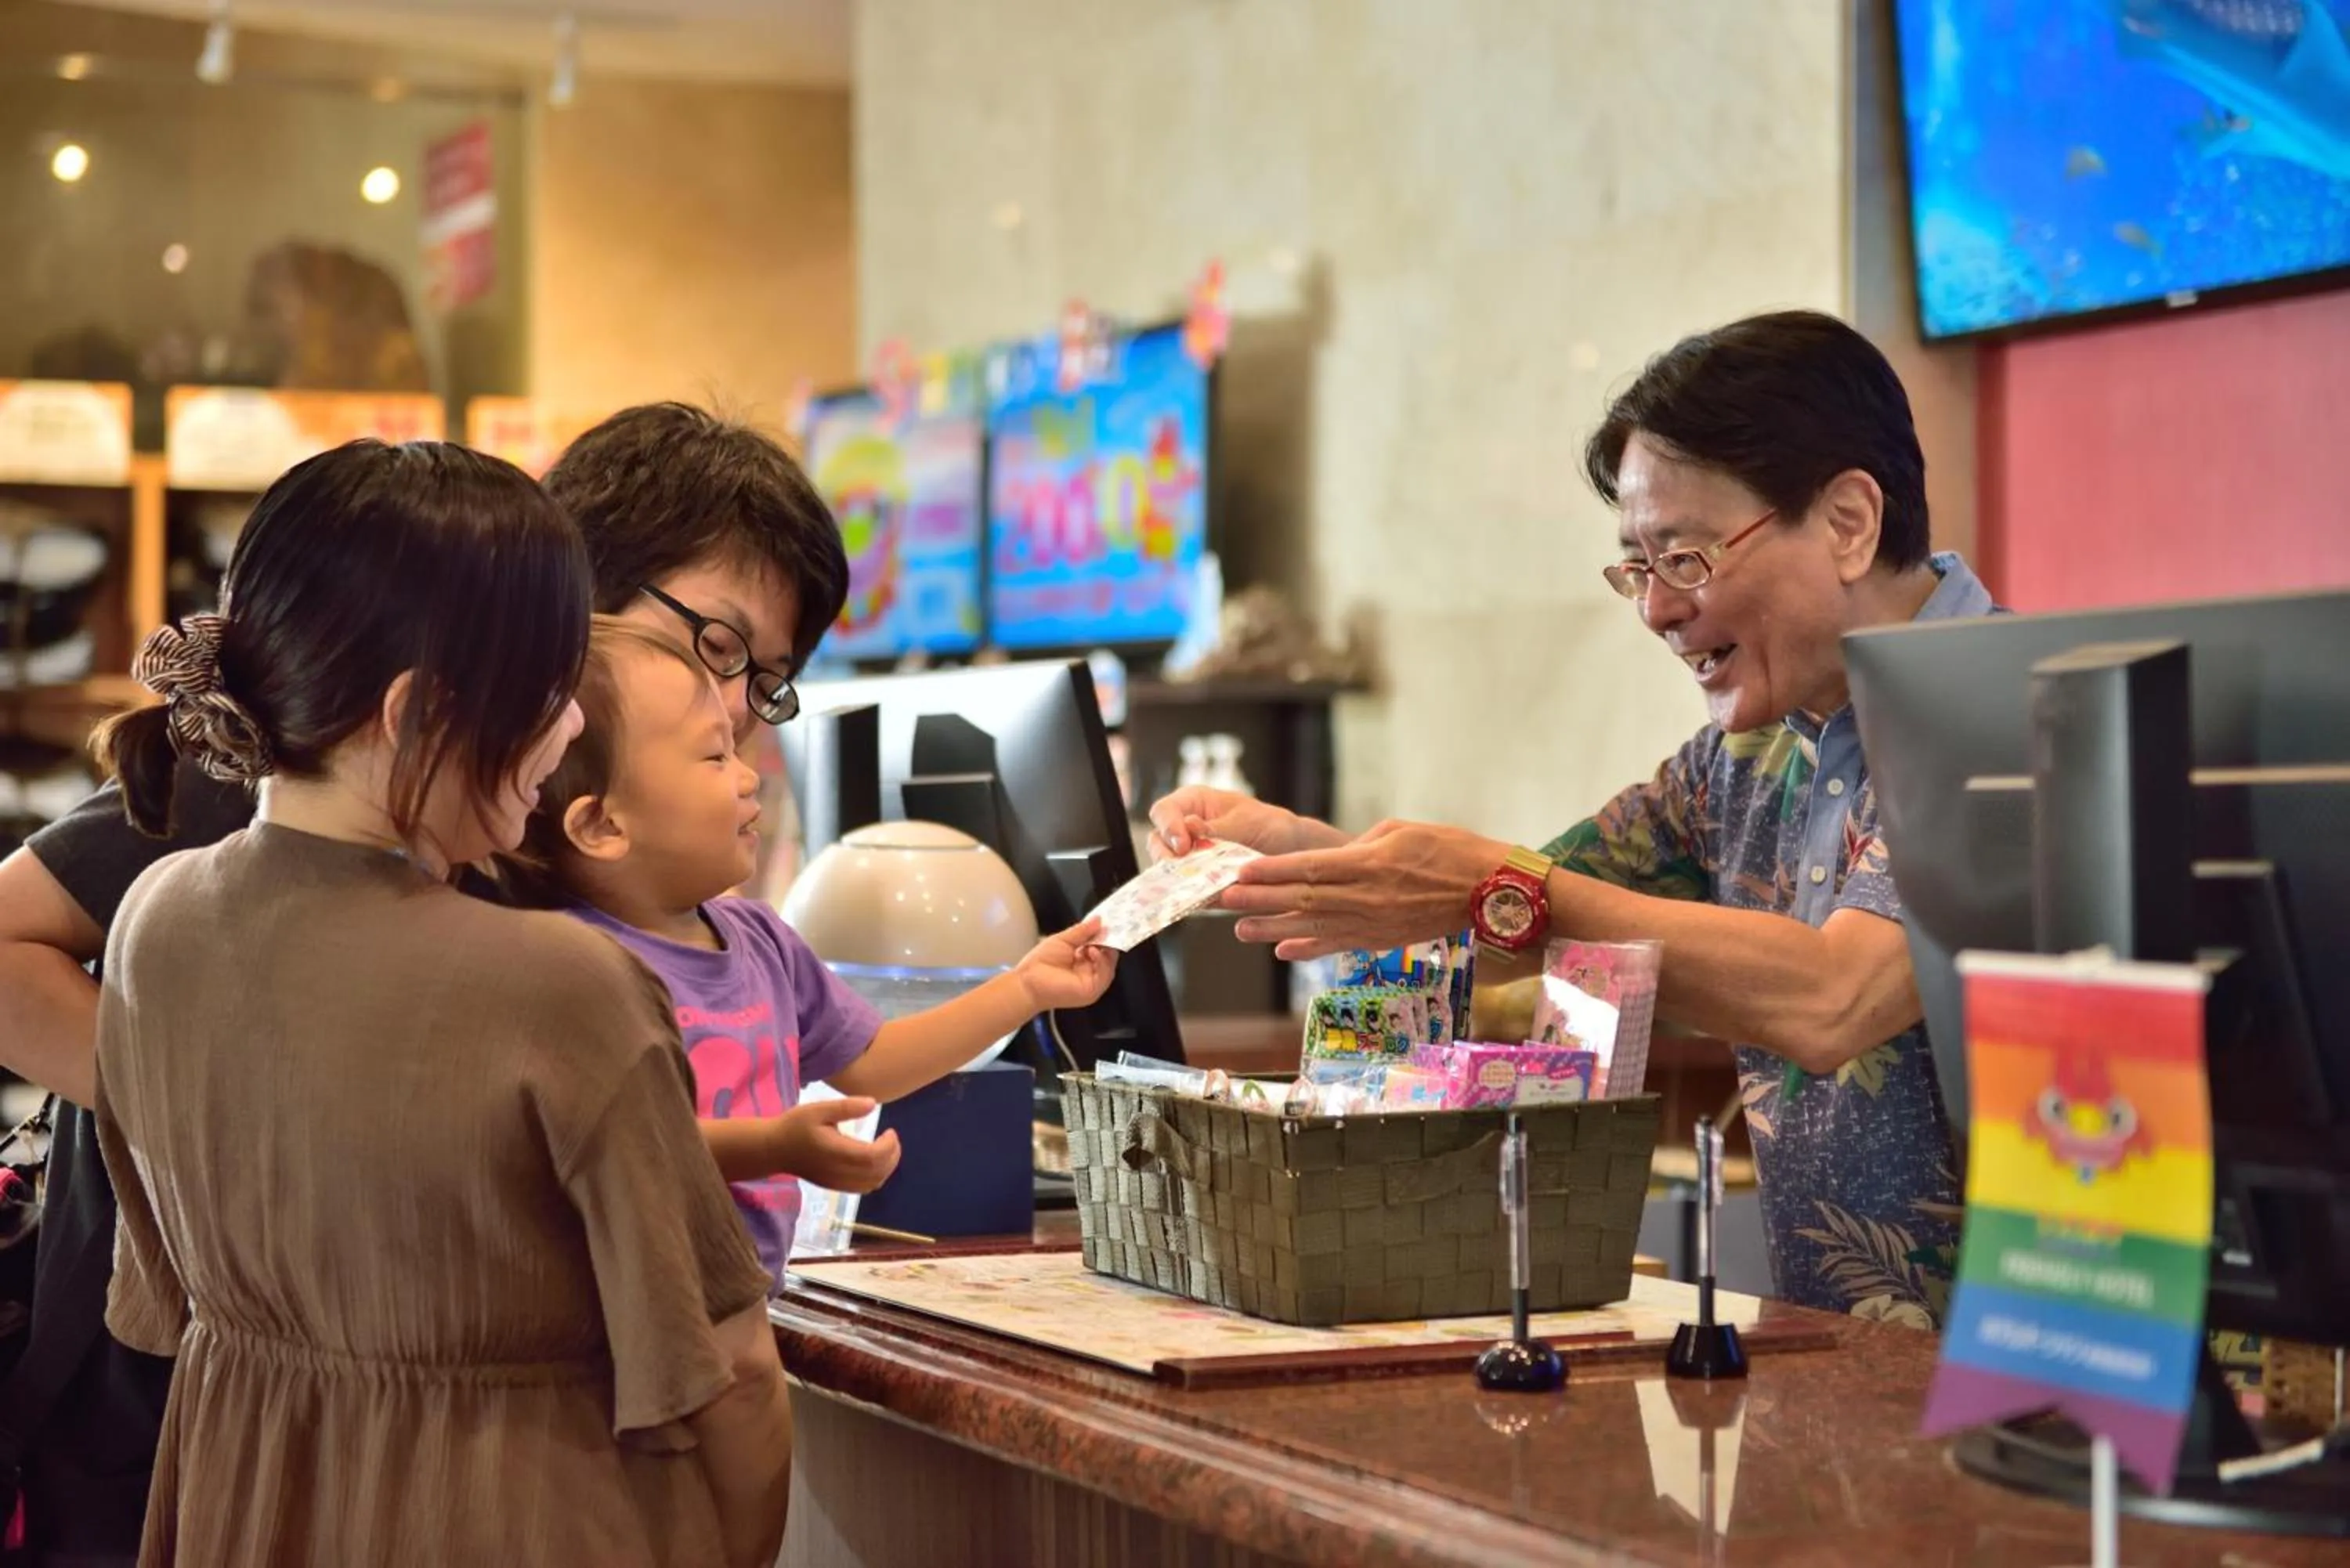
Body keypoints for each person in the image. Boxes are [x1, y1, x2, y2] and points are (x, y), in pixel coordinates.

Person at [0, 403, 850, 1564]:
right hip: (168, 1425)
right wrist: (244, 1116)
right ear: (572, 587)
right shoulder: (289, 768)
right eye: (714, 645)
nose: (733, 708)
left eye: (768, 678)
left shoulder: (538, 846)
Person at [1152, 311, 1996, 1326]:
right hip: (1846, 1378)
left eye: (1683, 557)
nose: (1656, 610)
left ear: (1850, 521)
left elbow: (1834, 1000)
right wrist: (1310, 853)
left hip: (2039, 1411)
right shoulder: (1743, 755)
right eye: (1636, 567)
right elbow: (1517, 924)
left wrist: (1494, 890)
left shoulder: (2002, 718)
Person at [500, 618, 1120, 1288]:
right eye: (713, 758)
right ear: (601, 824)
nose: (746, 779)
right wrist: (773, 1147)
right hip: (630, 1325)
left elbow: (873, 1063)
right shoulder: (567, 965)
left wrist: (1026, 989)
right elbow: (615, 1146)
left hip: (750, 1301)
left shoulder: (761, 941)